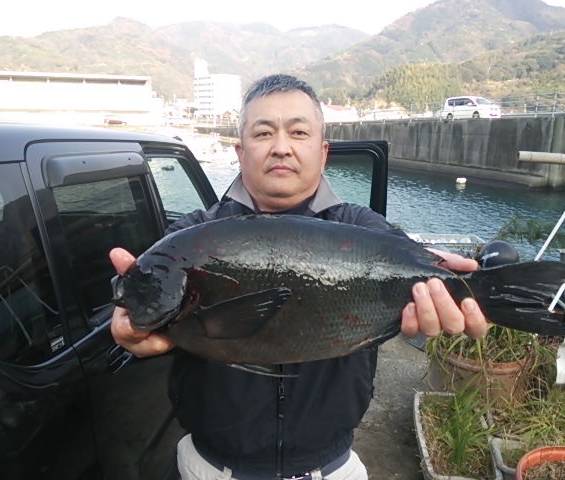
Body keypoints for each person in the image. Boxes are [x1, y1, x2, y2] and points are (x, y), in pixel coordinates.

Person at [110, 74, 488, 480]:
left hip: (332, 467)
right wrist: (130, 330)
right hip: (208, 466)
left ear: (323, 153)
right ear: (240, 152)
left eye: (298, 132)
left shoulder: (363, 227)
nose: (281, 147)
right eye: (263, 133)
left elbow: (417, 271)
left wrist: (458, 291)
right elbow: (146, 317)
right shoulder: (189, 235)